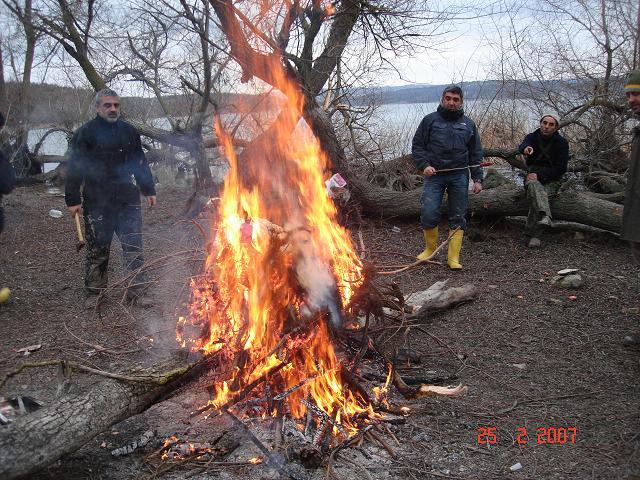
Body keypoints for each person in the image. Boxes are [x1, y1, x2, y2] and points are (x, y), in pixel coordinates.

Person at [65, 88, 157, 308]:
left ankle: (137, 292)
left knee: (133, 246)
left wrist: (148, 189)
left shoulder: (129, 132)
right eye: (108, 105)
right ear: (98, 107)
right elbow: (74, 168)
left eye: (116, 105)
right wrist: (73, 199)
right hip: (97, 200)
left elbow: (140, 162)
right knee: (98, 250)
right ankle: (95, 294)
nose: (113, 109)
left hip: (127, 198)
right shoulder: (85, 133)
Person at [411, 84, 484, 270]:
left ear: (461, 102)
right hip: (434, 176)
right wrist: (424, 165)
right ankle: (429, 249)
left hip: (459, 176)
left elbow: (476, 154)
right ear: (443, 99)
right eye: (448, 98)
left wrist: (477, 179)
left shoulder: (468, 124)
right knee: (428, 213)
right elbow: (418, 147)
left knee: (458, 216)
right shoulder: (429, 121)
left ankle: (453, 258)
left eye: (456, 99)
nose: (451, 102)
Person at [518, 114, 569, 247]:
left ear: (556, 127)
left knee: (541, 195)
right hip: (532, 176)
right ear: (540, 123)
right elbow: (523, 145)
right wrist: (526, 149)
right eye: (544, 123)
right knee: (535, 186)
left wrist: (540, 175)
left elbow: (561, 168)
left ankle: (530, 234)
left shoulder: (562, 143)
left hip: (552, 178)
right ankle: (545, 217)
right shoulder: (532, 137)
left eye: (551, 124)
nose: (546, 127)